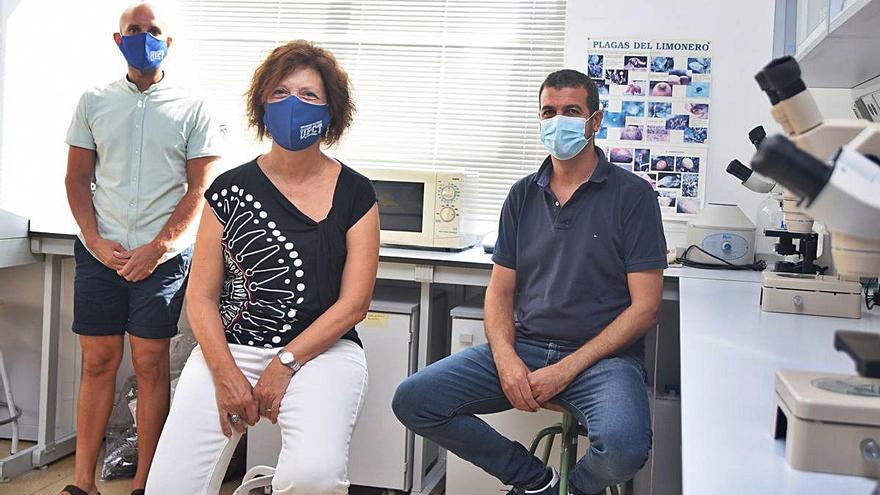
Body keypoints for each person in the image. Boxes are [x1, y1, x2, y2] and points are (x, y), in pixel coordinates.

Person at [393, 69, 667, 495]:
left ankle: (573, 490)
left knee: (625, 449)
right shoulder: (522, 195)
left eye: (571, 111)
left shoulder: (632, 196)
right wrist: (506, 360)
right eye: (549, 112)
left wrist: (565, 369)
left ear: (595, 121)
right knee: (413, 399)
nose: (559, 121)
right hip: (526, 346)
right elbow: (499, 293)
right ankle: (534, 481)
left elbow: (646, 307)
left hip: (602, 361)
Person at [145, 40, 379, 495]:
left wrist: (285, 363)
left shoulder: (356, 193)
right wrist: (226, 372)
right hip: (229, 349)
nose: (293, 104)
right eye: (281, 92)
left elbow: (354, 305)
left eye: (309, 95)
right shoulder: (228, 190)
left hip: (321, 352)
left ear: (331, 112)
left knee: (312, 478)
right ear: (262, 104)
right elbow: (201, 296)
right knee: (169, 487)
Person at [63, 3, 223, 495]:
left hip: (162, 260)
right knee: (97, 363)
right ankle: (82, 483)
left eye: (154, 31)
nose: (144, 37)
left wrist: (158, 247)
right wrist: (93, 239)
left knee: (151, 366)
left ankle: (144, 485)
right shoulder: (93, 101)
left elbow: (200, 189)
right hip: (101, 255)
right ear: (118, 40)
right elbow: (77, 177)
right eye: (135, 30)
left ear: (168, 44)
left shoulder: (193, 106)